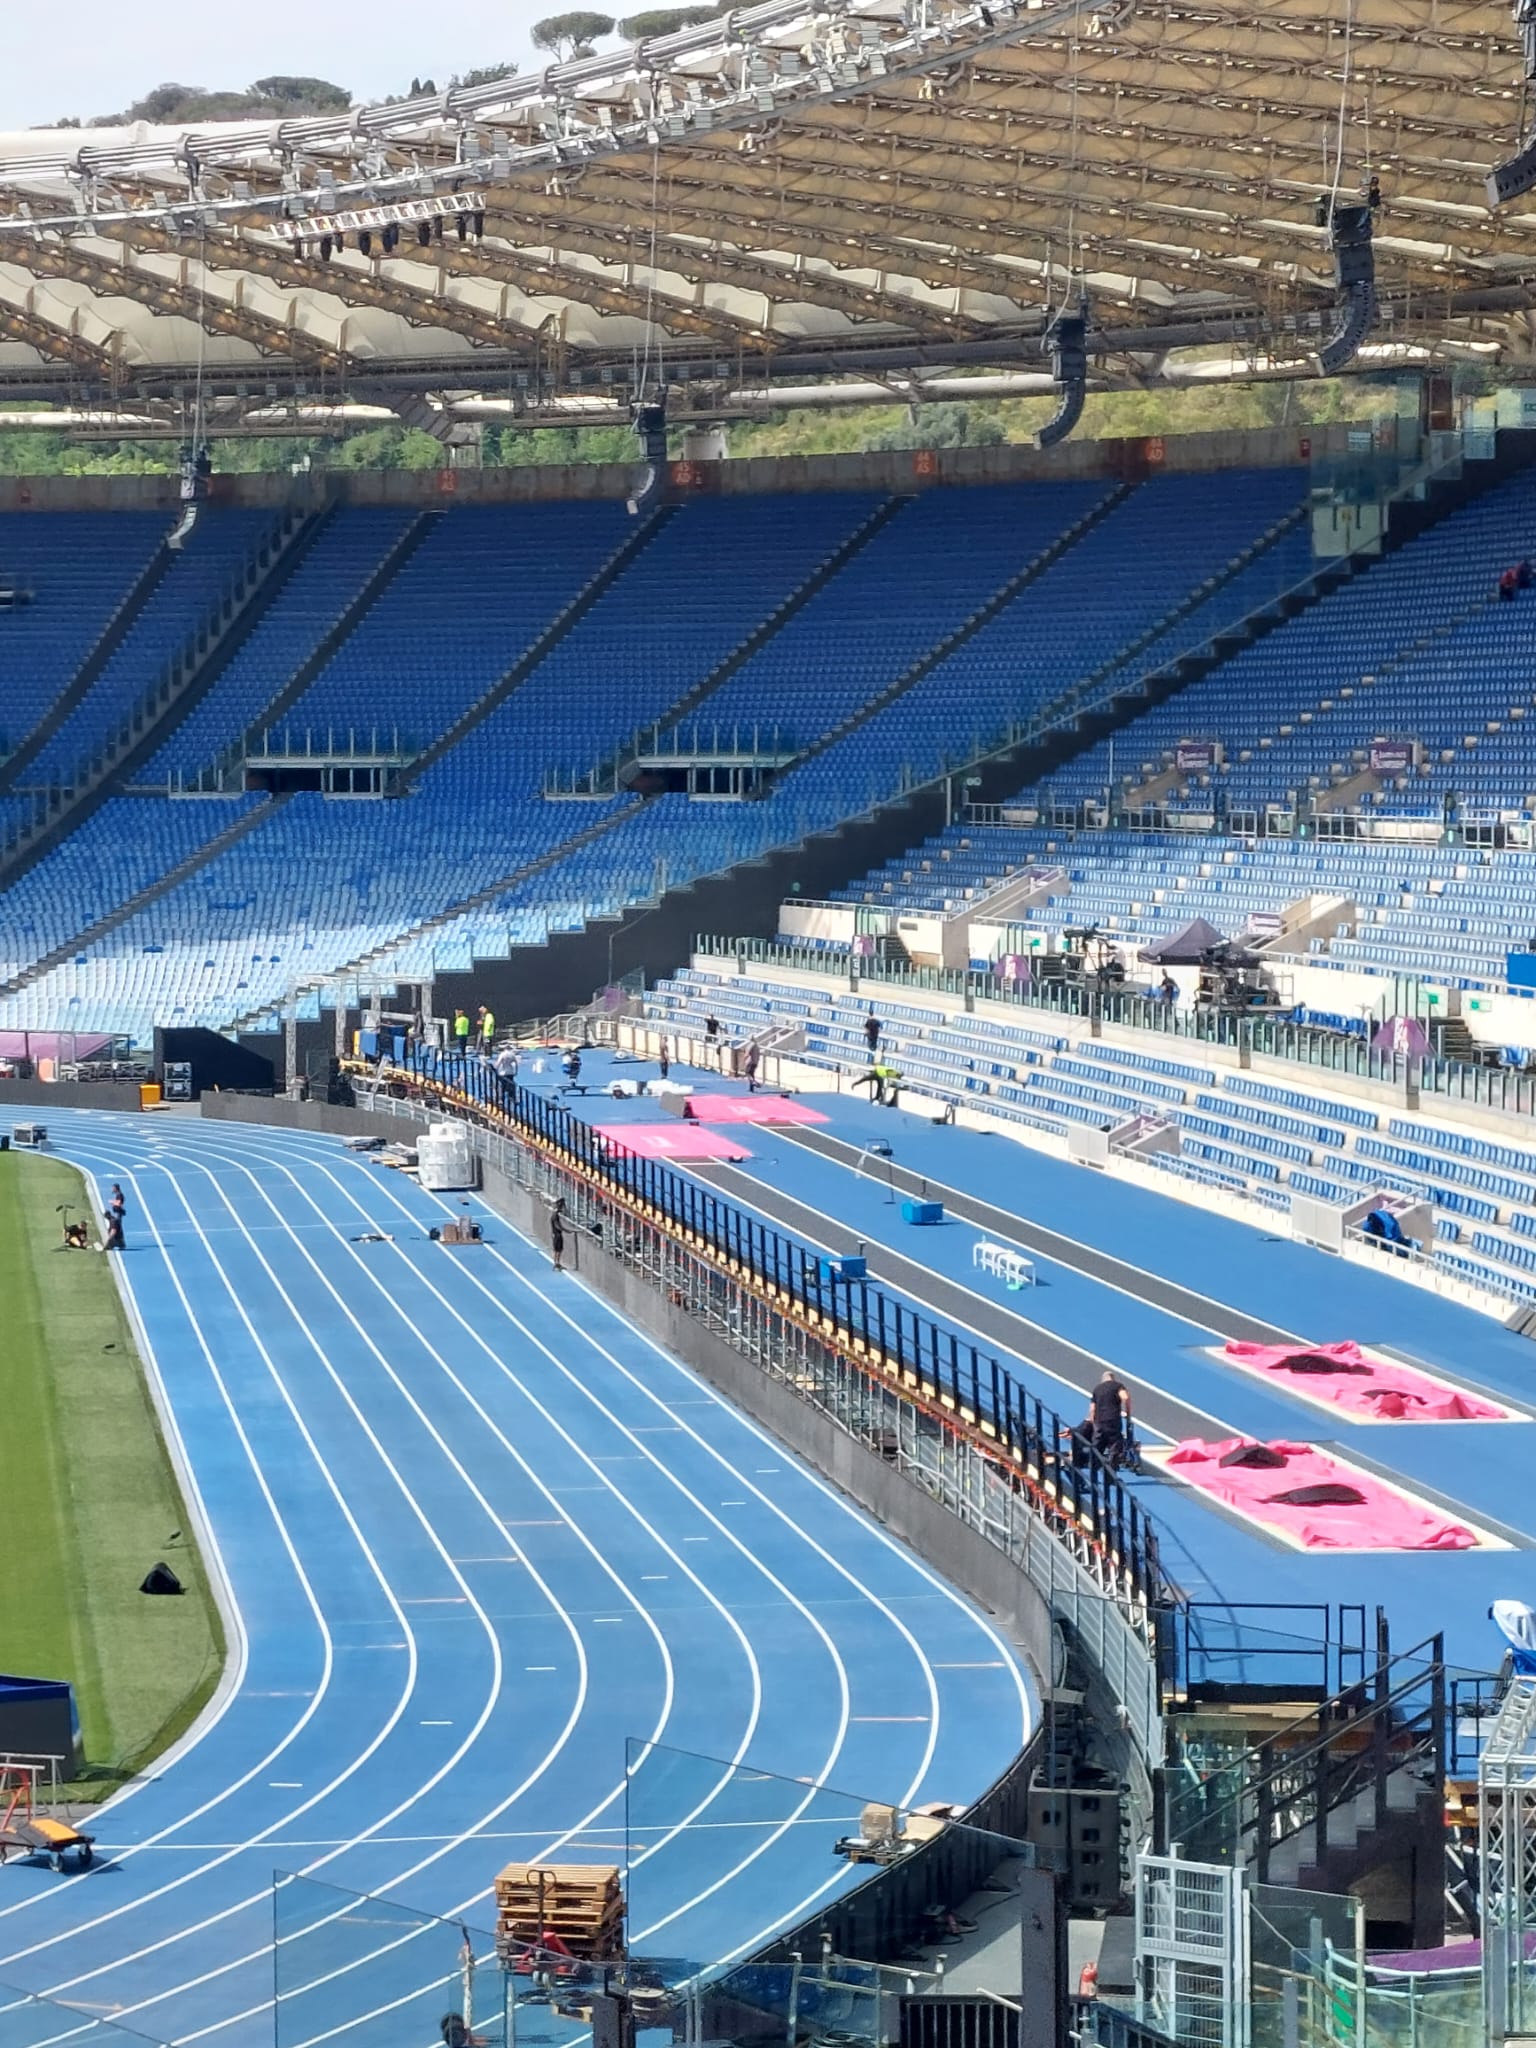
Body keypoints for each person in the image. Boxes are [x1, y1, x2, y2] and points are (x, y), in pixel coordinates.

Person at [1088, 1370, 1129, 1463]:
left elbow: (1092, 1408)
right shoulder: (1117, 1386)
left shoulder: (1097, 1389)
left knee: (1098, 1443)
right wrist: (1127, 1412)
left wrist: (1092, 1422)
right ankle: (1112, 1464)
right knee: (1114, 1442)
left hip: (1099, 1420)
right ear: (1113, 1378)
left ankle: (1094, 1463)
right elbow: (1125, 1397)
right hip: (1112, 1418)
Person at [549, 1197, 566, 1272]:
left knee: (557, 1250)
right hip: (557, 1235)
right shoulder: (555, 1216)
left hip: (555, 1234)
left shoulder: (554, 1215)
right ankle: (557, 1263)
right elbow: (557, 1226)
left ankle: (556, 1263)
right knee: (558, 1249)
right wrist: (564, 1229)